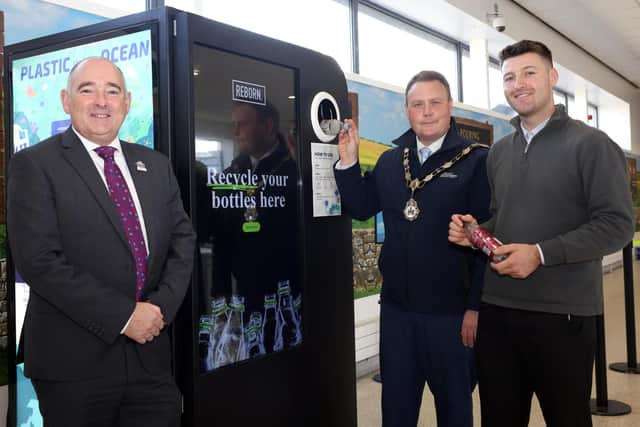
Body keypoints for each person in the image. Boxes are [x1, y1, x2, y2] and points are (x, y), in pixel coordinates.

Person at [448, 40, 634, 427]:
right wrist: (477, 233)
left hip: (563, 317)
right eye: (509, 77)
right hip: (497, 312)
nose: (519, 83)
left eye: (529, 73)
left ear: (552, 77)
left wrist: (541, 253)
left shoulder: (592, 146)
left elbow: (617, 225)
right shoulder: (498, 153)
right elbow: (503, 218)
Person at [7, 57, 196, 427]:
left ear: (127, 102)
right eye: (87, 89)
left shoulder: (155, 164)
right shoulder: (35, 164)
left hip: (150, 356)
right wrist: (125, 316)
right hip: (74, 364)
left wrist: (157, 311)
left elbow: (182, 241)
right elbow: (39, 261)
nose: (101, 101)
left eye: (112, 91)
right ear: (66, 100)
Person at [334, 70, 491, 426]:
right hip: (397, 314)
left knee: (454, 412)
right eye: (418, 104)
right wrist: (349, 161)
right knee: (397, 412)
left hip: (451, 317)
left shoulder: (476, 161)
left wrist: (475, 309)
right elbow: (360, 206)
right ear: (407, 110)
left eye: (436, 102)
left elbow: (485, 240)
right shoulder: (392, 161)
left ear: (450, 107)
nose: (427, 111)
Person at [195, 100, 300, 370]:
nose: (235, 132)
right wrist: (219, 288)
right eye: (233, 125)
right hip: (242, 290)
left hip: (286, 289)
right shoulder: (232, 173)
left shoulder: (294, 173)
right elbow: (221, 235)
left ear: (267, 127)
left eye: (242, 124)